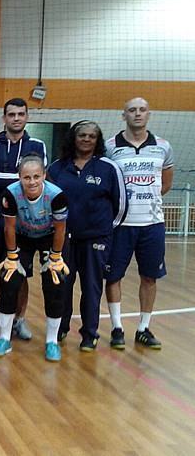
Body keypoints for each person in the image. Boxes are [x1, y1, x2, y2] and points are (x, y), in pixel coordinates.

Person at [48, 121, 126, 351]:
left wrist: (104, 230)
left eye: (92, 136)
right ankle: (60, 327)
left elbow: (121, 205)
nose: (86, 139)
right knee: (62, 284)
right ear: (73, 138)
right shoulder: (57, 168)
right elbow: (48, 201)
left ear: (97, 140)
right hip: (63, 239)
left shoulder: (108, 168)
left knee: (91, 287)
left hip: (97, 238)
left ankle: (89, 334)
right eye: (82, 135)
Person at [104, 97, 174, 350]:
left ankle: (143, 328)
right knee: (113, 277)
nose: (137, 114)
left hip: (152, 225)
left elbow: (165, 184)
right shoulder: (110, 147)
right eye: (132, 110)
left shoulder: (163, 147)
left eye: (142, 110)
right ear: (124, 115)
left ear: (149, 114)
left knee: (150, 277)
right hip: (120, 224)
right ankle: (117, 328)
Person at [0, 155, 69, 362]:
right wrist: (12, 256)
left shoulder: (56, 196)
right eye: (27, 177)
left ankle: (52, 341)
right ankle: (4, 338)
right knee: (9, 279)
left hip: (50, 238)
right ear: (19, 178)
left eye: (37, 176)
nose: (32, 181)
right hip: (22, 237)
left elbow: (61, 230)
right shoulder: (10, 194)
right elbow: (9, 227)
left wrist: (55, 257)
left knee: (55, 282)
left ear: (44, 175)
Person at [0, 97, 47, 341]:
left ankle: (19, 320)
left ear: (27, 116)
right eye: (11, 114)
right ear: (5, 118)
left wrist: (5, 180)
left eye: (21, 114)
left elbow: (40, 180)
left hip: (26, 224)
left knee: (20, 273)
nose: (16, 118)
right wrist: (16, 180)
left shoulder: (38, 145)